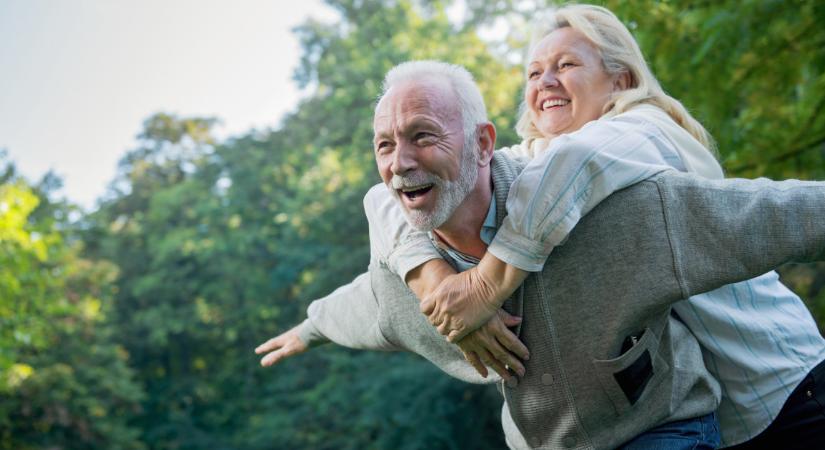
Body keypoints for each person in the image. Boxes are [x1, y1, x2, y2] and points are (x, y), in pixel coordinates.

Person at [256, 60, 825, 449]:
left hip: (663, 430)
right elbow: (362, 306)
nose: (400, 162)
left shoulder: (610, 214)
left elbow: (763, 215)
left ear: (483, 143)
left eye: (423, 136)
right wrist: (310, 326)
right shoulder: (405, 280)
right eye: (385, 145)